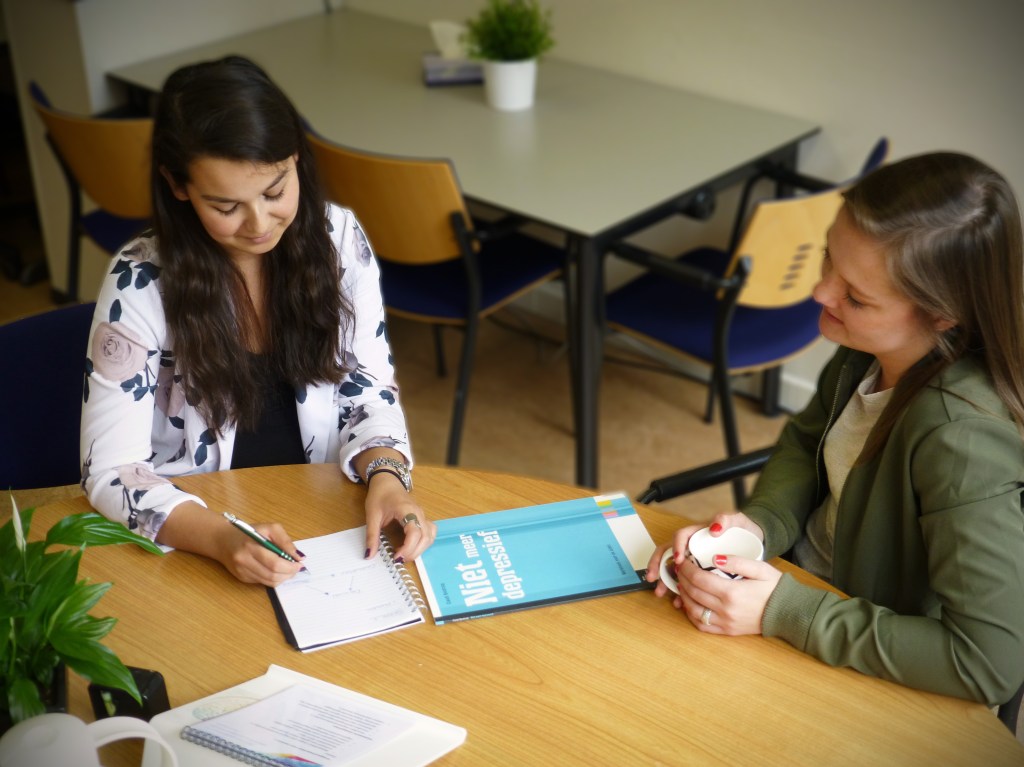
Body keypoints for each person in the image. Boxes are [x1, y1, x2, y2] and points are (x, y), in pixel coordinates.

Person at [646, 152, 1024, 707]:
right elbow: (805, 443)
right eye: (829, 260)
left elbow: (988, 663)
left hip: (871, 655)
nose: (821, 294)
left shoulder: (960, 441)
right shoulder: (864, 353)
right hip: (807, 590)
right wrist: (758, 528)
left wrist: (784, 611)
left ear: (943, 315)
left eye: (857, 296)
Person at [80, 55, 436, 586]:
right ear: (179, 187)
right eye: (226, 206)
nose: (259, 224)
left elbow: (368, 393)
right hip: (198, 537)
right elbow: (111, 471)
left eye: (274, 191)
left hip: (325, 521)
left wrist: (387, 474)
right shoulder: (142, 282)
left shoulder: (336, 240)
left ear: (295, 158)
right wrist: (222, 539)